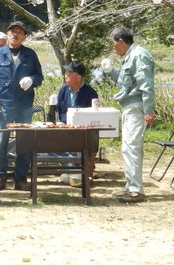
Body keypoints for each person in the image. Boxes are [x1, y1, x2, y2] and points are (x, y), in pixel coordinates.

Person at [0, 21, 43, 192]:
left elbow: (39, 77)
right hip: (2, 106)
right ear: (7, 34)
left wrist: (32, 80)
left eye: (20, 32)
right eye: (12, 31)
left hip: (24, 105)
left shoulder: (30, 55)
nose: (15, 34)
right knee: (0, 144)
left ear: (24, 37)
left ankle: (20, 179)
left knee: (24, 143)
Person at [103, 27, 155, 203]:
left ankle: (136, 190)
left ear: (120, 42)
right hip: (128, 106)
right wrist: (110, 72)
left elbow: (145, 83)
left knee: (132, 147)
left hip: (136, 106)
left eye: (114, 45)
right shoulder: (129, 57)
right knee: (127, 148)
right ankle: (130, 185)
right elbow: (125, 82)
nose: (113, 49)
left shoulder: (139, 55)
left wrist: (149, 110)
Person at [56, 60, 99, 187]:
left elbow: (94, 115)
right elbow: (59, 111)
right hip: (65, 127)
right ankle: (71, 167)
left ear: (78, 77)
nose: (65, 75)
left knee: (92, 137)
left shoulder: (90, 92)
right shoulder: (63, 90)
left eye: (69, 73)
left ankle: (86, 168)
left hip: (83, 130)